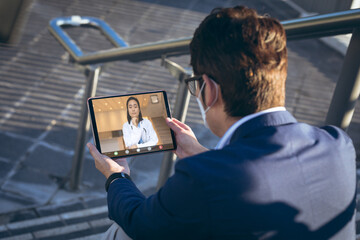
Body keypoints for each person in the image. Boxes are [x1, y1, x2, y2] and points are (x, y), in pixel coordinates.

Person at [87, 6, 356, 240]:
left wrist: (116, 176)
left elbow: (141, 224)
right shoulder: (338, 143)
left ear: (210, 90)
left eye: (196, 86)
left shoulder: (205, 179)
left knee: (121, 234)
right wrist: (200, 153)